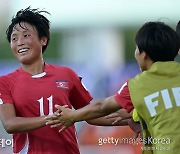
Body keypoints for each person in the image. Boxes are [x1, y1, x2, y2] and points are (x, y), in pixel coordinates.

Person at [0, 7, 131, 154]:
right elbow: (10, 124)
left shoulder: (67, 75)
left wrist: (132, 119)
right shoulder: (5, 82)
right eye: (14, 38)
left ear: (43, 40)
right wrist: (53, 119)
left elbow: (92, 115)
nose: (19, 42)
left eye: (26, 35)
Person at [46, 21, 180, 154]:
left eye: (137, 48)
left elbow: (101, 107)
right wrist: (136, 117)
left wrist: (72, 116)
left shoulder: (138, 85)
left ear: (143, 54)